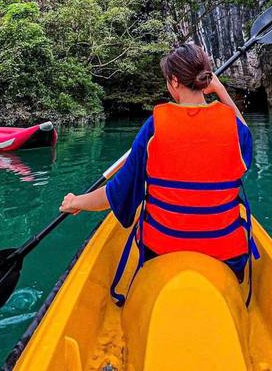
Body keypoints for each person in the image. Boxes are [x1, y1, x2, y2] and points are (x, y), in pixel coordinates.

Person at [60, 42, 257, 305]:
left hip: (162, 251)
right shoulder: (233, 127)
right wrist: (220, 91)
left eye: (167, 80)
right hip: (227, 256)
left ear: (174, 81)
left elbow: (117, 192)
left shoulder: (154, 126)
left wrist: (76, 202)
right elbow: (247, 138)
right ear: (206, 79)